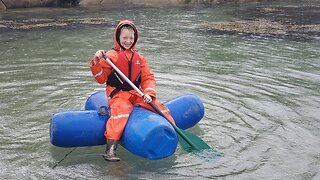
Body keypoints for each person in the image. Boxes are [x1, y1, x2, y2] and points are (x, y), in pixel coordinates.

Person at [89, 20, 175, 162]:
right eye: (125, 38)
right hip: (118, 94)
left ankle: (174, 133)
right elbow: (100, 78)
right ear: (118, 38)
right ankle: (110, 150)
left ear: (135, 39)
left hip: (136, 93)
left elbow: (148, 77)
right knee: (120, 113)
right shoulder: (111, 56)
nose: (128, 41)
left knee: (160, 108)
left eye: (131, 38)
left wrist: (148, 93)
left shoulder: (139, 58)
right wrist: (96, 61)